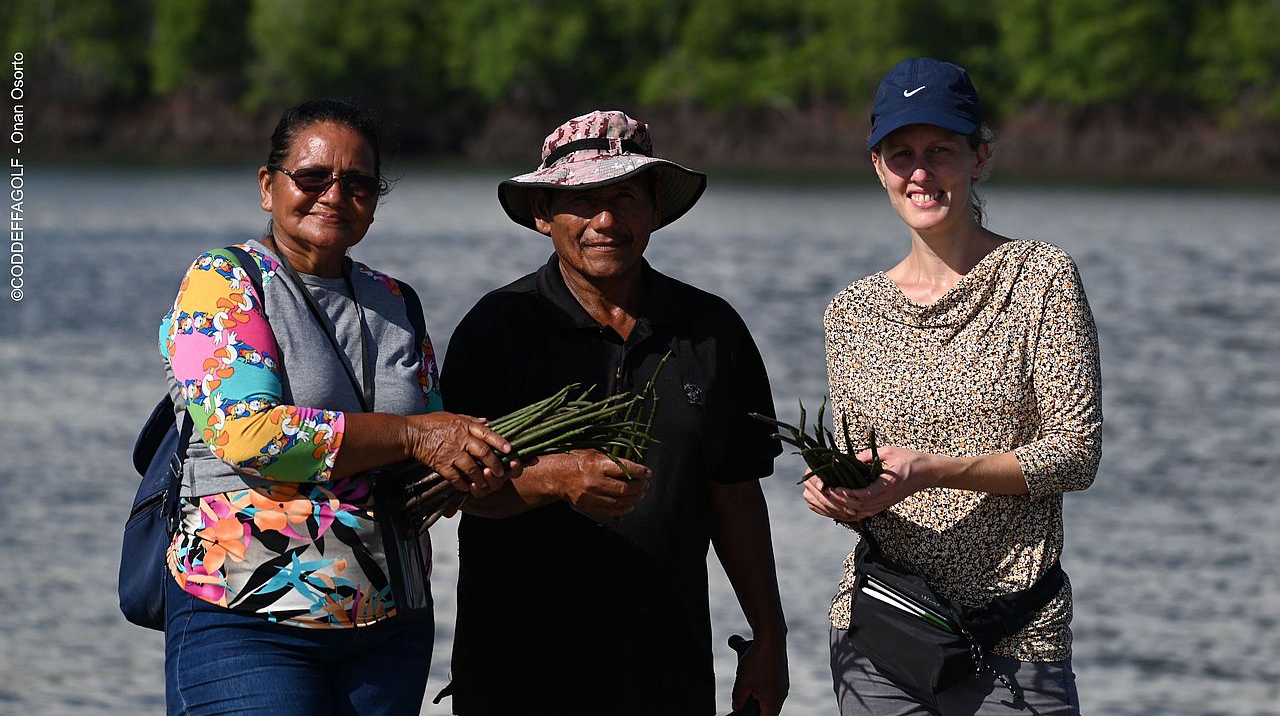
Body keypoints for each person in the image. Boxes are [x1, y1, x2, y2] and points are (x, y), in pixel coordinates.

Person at [158, 98, 518, 716]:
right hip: (247, 616)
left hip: (390, 628)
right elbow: (252, 436)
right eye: (312, 177)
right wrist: (412, 437)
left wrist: (485, 466)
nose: (334, 194)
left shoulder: (396, 300)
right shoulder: (224, 282)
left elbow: (436, 446)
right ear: (268, 187)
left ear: (375, 201)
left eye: (357, 183)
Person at [439, 110, 790, 716]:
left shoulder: (711, 330)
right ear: (543, 214)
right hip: (515, 672)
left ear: (655, 209)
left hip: (665, 672)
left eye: (625, 197)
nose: (606, 221)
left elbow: (735, 496)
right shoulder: (498, 328)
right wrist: (556, 478)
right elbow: (455, 490)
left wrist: (770, 637)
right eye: (582, 200)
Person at [804, 57, 1102, 714]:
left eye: (941, 150)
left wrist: (933, 470)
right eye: (901, 153)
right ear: (877, 167)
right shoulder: (852, 313)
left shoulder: (1040, 278)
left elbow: (1076, 454)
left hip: (1017, 635)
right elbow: (866, 473)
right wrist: (834, 490)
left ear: (979, 157)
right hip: (883, 630)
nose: (921, 172)